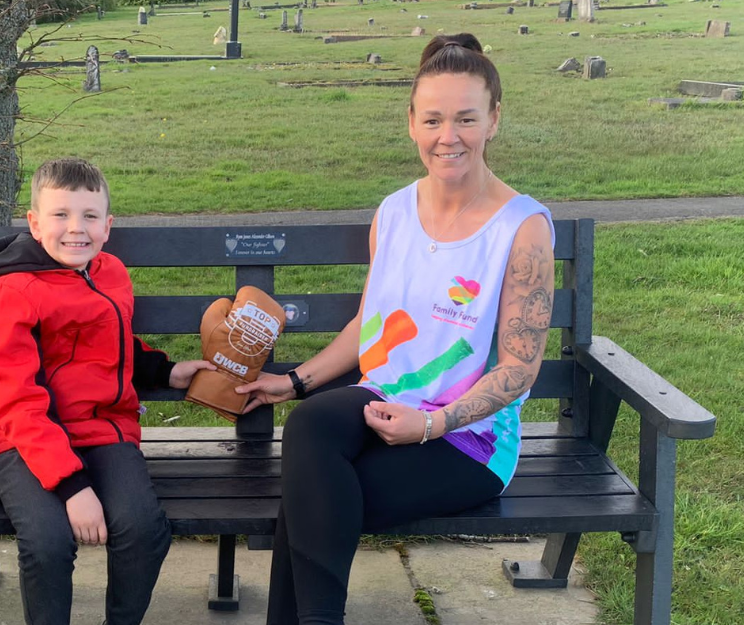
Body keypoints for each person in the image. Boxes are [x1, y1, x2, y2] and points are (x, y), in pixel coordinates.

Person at [235, 34, 558, 625]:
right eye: (433, 119)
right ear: (411, 122)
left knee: (310, 499)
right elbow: (371, 323)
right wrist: (296, 383)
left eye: (466, 118)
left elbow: (518, 370)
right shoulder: (393, 211)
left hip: (469, 439)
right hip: (382, 398)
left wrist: (429, 424)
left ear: (494, 121)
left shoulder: (522, 228)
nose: (448, 136)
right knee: (309, 427)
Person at [0, 157, 217, 625]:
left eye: (88, 216)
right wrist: (72, 486)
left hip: (103, 429)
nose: (75, 229)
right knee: (47, 542)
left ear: (109, 224)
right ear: (34, 222)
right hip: (22, 436)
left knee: (144, 530)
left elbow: (112, 342)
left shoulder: (109, 272)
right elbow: (15, 398)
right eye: (60, 215)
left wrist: (166, 371)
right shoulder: (10, 293)